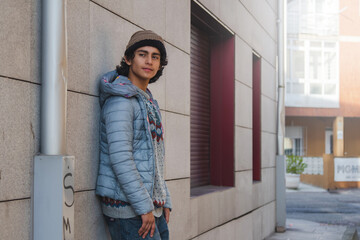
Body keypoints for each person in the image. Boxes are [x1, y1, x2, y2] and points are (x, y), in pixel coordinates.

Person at [95, 30, 172, 240]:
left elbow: (155, 157)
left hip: (150, 207)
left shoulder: (147, 101)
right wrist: (144, 207)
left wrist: (165, 199)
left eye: (155, 57)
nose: (149, 61)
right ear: (128, 59)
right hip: (130, 210)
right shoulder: (121, 101)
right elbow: (121, 158)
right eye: (142, 54)